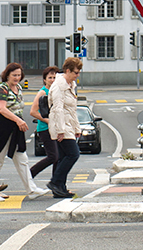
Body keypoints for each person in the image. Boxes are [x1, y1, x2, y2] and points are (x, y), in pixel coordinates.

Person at [0, 63, 50, 200]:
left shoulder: (19, 88)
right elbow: (1, 109)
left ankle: (31, 190)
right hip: (2, 127)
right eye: (14, 75)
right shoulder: (2, 88)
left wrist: (18, 121)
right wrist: (19, 120)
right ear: (7, 75)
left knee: (22, 159)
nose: (16, 78)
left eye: (19, 75)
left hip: (15, 128)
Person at [47, 57, 82, 198]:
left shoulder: (70, 85)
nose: (77, 75)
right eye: (75, 72)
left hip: (68, 125)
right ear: (67, 71)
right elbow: (58, 109)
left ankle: (60, 187)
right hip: (61, 125)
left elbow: (72, 110)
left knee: (63, 157)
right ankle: (55, 182)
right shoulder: (59, 86)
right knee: (73, 154)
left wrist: (77, 128)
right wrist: (60, 130)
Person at [28, 66, 59, 179]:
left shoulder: (57, 91)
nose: (52, 80)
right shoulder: (42, 92)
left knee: (59, 157)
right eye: (50, 77)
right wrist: (48, 121)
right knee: (53, 156)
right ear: (45, 79)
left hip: (57, 128)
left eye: (55, 77)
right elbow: (33, 112)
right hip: (45, 129)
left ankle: (56, 182)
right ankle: (30, 173)